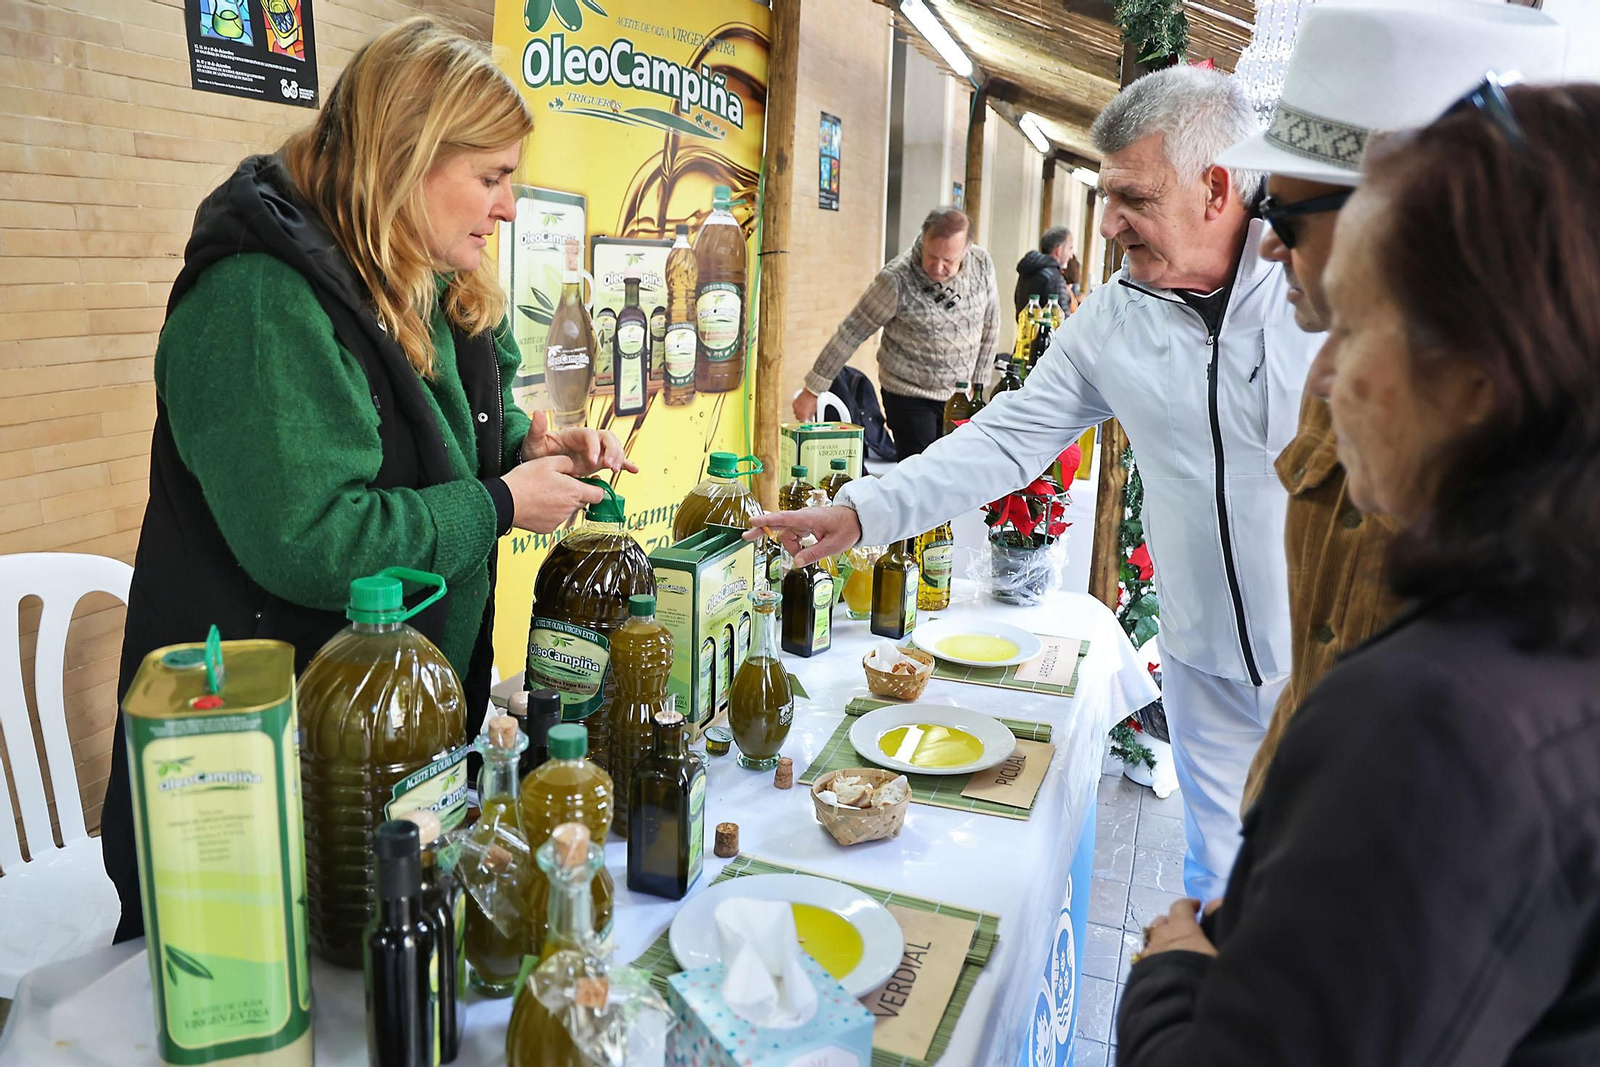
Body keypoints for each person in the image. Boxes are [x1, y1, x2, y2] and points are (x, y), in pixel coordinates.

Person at [101, 18, 635, 942]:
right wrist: (504, 502)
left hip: (397, 738)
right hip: (270, 769)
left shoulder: (428, 269)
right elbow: (315, 539)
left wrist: (533, 447)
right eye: (492, 177)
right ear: (406, 156)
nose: (508, 208)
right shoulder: (257, 303)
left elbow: (459, 427)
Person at [1119, 79, 1600, 1066]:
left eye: (1355, 326)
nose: (1327, 378)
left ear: (1477, 373)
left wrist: (1170, 976)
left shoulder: (1433, 724)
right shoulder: (1553, 625)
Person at [757, 66, 1321, 902]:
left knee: (1334, 898)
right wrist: (862, 509)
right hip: (1203, 665)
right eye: (1104, 192)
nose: (1107, 221)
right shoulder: (1116, 318)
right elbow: (1007, 439)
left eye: (1133, 195)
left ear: (1216, 187)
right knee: (1223, 888)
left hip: (1328, 667)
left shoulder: (1317, 291)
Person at [1214, 0, 1567, 813]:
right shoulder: (1333, 379)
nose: (1268, 245)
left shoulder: (1544, 467)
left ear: (1404, 220)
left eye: (1284, 215)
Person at [791, 207, 999, 460]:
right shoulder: (896, 279)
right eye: (932, 256)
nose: (938, 267)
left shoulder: (982, 263)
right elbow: (851, 332)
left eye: (949, 261)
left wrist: (979, 388)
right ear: (923, 239)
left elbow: (991, 324)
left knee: (957, 471)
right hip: (910, 396)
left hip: (961, 395)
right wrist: (812, 390)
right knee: (920, 476)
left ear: (967, 249)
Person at [1013, 226, 1074, 314]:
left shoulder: (1028, 269)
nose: (1071, 255)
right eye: (1070, 248)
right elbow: (1062, 319)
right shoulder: (1054, 278)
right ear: (1059, 250)